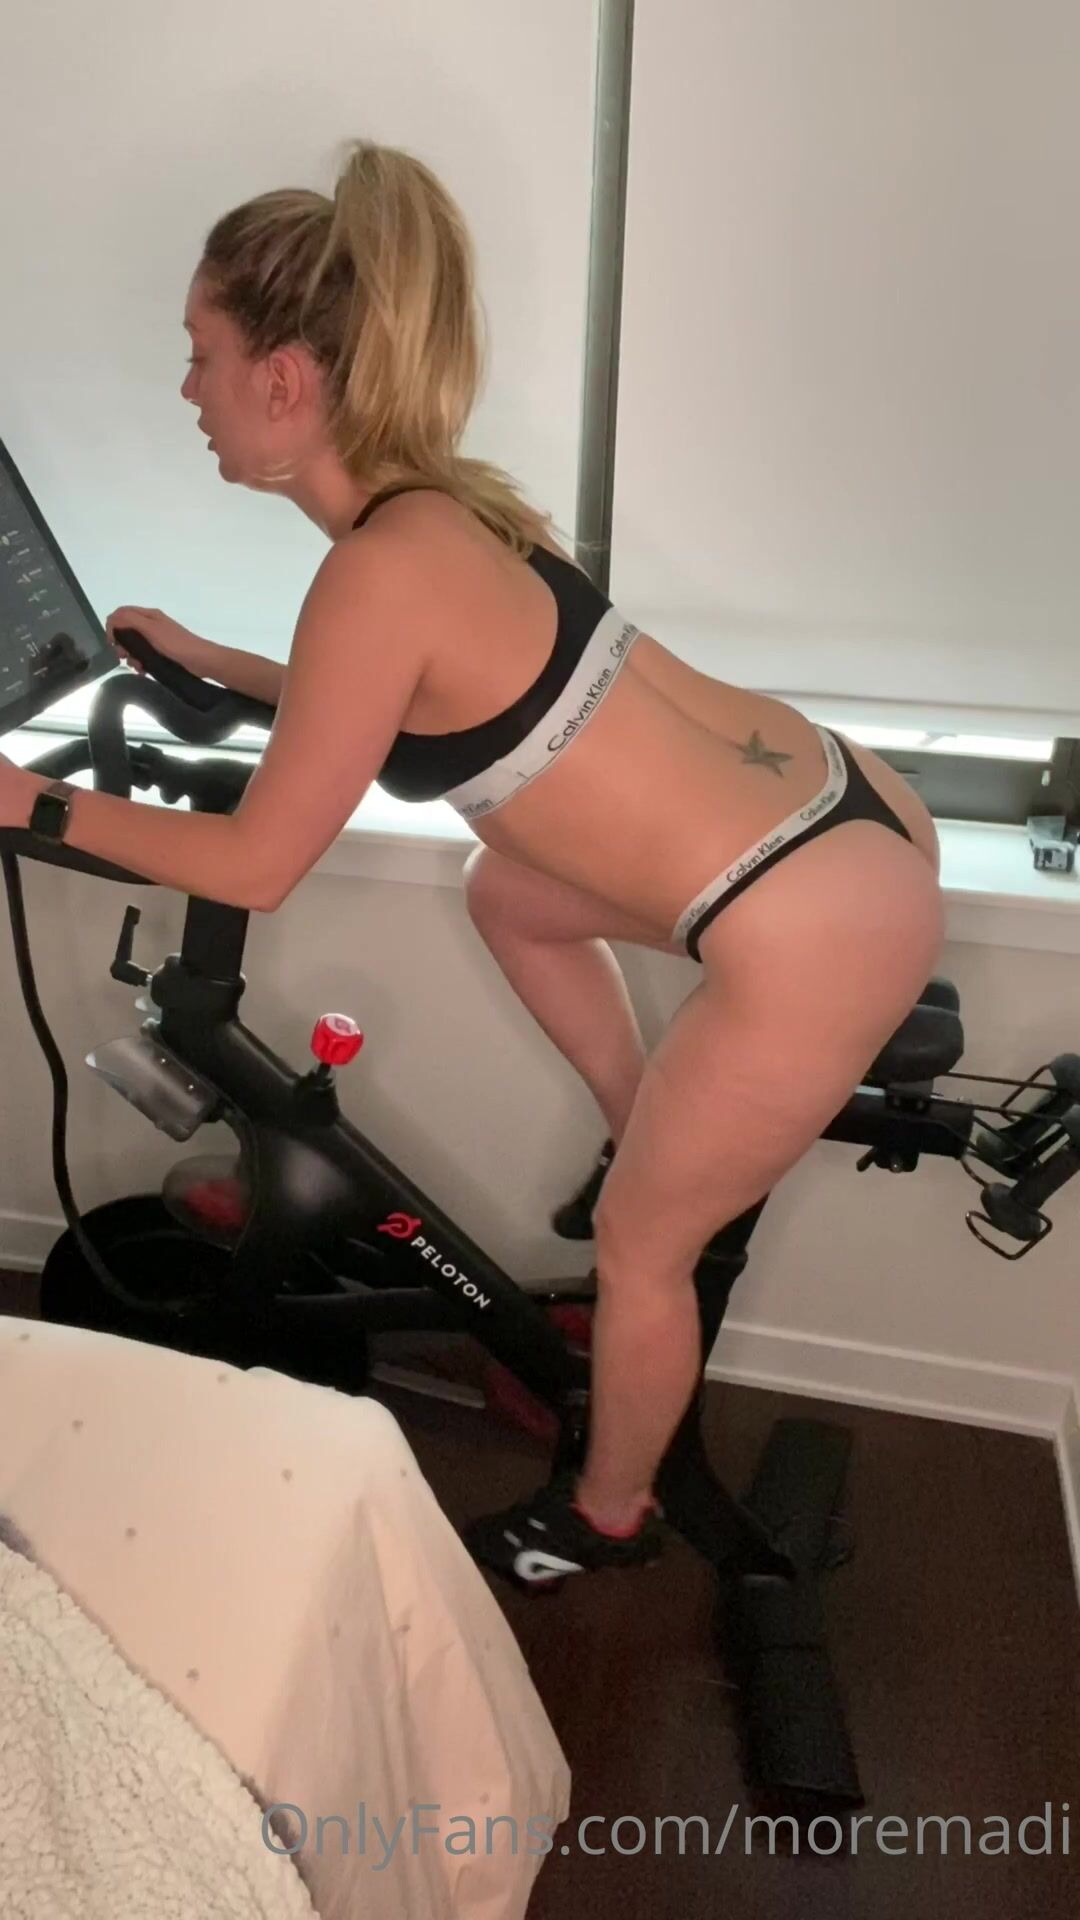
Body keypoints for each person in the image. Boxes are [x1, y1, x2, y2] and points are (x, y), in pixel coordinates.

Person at [0, 139, 945, 1586]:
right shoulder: (446, 508)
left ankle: (603, 1519)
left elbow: (256, 863)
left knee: (641, 1253)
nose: (187, 389)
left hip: (812, 926)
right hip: (841, 812)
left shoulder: (376, 571)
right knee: (504, 889)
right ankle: (642, 1120)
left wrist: (31, 806)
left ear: (284, 380)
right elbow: (407, 704)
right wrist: (217, 664)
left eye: (200, 354)